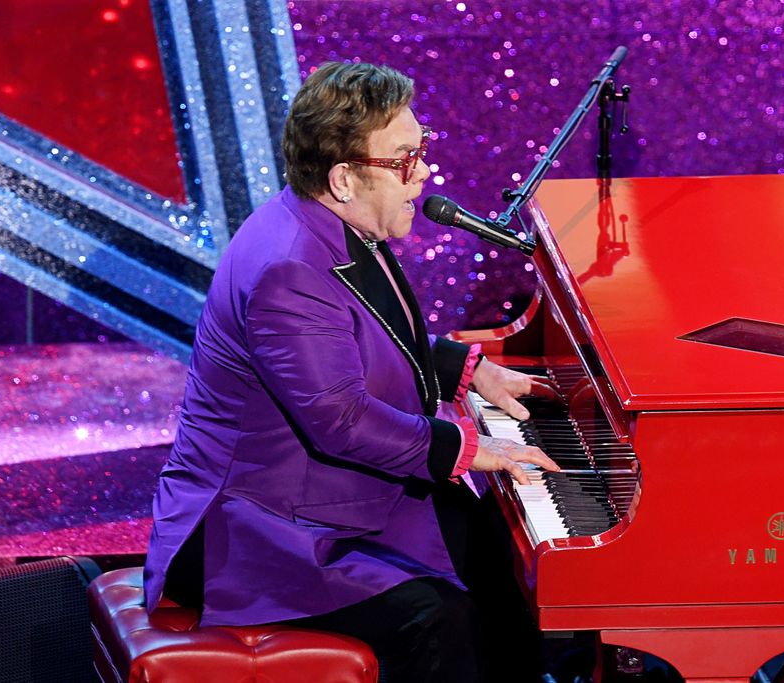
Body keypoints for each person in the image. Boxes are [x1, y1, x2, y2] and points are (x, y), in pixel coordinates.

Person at [142, 60, 562, 682]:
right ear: (343, 177)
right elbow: (339, 418)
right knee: (439, 615)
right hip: (252, 525)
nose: (423, 173)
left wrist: (471, 374)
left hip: (308, 492)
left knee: (486, 539)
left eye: (420, 151)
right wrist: (471, 447)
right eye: (403, 160)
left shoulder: (333, 225)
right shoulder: (290, 269)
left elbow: (370, 337)